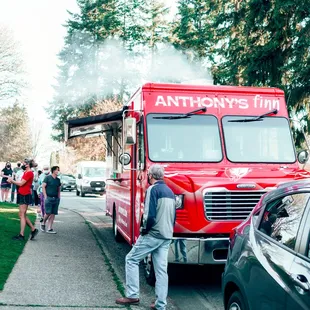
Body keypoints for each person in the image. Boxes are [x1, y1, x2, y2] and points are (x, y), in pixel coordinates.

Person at [116, 164, 176, 310]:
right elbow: (174, 216)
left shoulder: (152, 190)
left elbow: (150, 214)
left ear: (150, 176)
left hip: (153, 234)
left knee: (131, 259)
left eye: (148, 175)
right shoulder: (170, 192)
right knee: (161, 270)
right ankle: (161, 304)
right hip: (166, 235)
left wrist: (144, 230)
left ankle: (132, 295)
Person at [8, 159, 39, 241]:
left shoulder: (29, 173)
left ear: (28, 164)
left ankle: (21, 235)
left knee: (22, 214)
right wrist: (13, 181)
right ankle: (33, 229)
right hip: (22, 193)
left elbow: (21, 183)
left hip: (25, 194)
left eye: (24, 163)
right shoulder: (26, 172)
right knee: (22, 214)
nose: (23, 164)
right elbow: (20, 182)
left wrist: (12, 180)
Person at [40, 166, 61, 234]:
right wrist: (45, 196)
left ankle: (50, 228)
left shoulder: (58, 180)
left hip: (55, 198)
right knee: (48, 212)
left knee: (53, 213)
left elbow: (59, 189)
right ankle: (43, 222)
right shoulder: (48, 178)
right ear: (53, 171)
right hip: (48, 197)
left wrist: (59, 197)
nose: (58, 171)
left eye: (58, 170)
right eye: (57, 170)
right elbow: (43, 186)